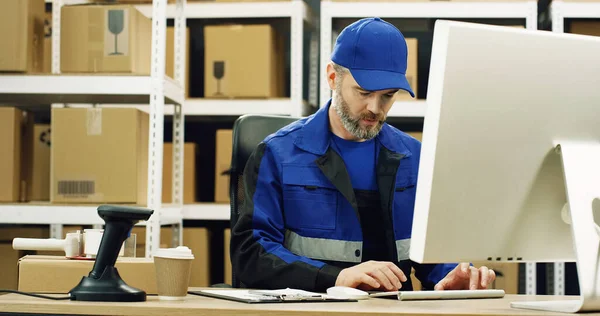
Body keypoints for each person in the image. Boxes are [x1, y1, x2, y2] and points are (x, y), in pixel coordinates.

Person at [230, 17, 495, 293]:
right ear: (333, 77)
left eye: (388, 96)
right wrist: (336, 278)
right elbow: (250, 255)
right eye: (364, 92)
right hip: (312, 311)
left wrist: (452, 277)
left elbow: (432, 254)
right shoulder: (277, 154)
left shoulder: (415, 158)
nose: (375, 108)